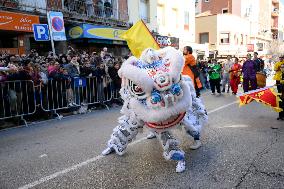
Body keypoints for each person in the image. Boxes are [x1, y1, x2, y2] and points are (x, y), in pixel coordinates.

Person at [273, 55, 284, 120]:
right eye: (280, 57)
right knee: (280, 100)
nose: (282, 68)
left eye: (282, 58)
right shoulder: (277, 63)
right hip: (279, 81)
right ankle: (280, 115)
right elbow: (275, 69)